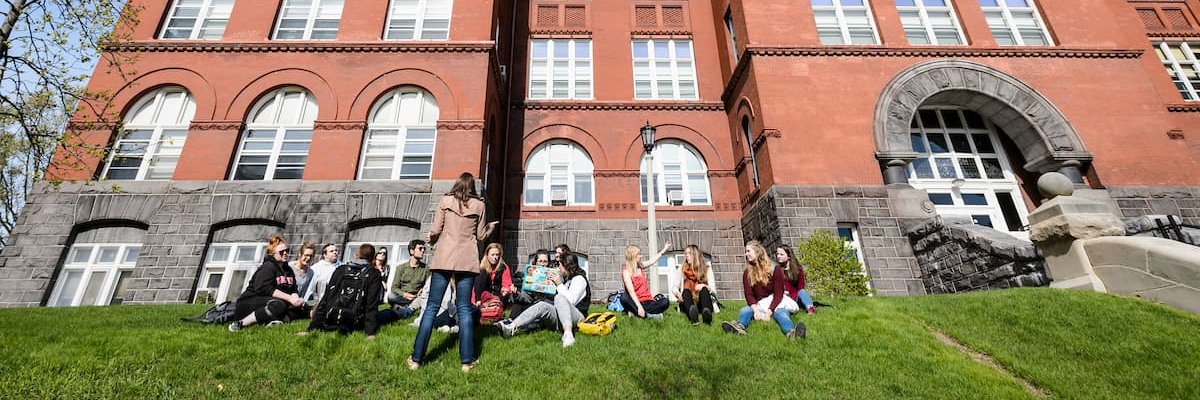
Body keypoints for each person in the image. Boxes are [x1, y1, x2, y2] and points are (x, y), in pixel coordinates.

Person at [409, 172, 497, 372]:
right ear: (472, 186)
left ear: (457, 184)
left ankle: (416, 359)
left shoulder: (445, 200)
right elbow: (481, 235)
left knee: (431, 307)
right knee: (464, 308)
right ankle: (467, 362)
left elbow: (435, 230)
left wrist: (430, 238)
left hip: (444, 257)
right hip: (467, 259)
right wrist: (490, 227)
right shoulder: (479, 205)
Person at [497, 252, 590, 348]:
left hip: (577, 317)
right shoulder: (566, 278)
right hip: (560, 314)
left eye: (560, 265)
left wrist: (558, 284)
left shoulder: (579, 279)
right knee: (542, 305)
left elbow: (571, 301)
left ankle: (568, 334)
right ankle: (511, 327)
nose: (559, 268)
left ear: (567, 265)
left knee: (559, 298)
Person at [721, 241, 806, 340]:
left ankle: (792, 333)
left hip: (776, 303)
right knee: (745, 311)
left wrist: (769, 313)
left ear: (757, 252)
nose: (746, 254)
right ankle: (739, 327)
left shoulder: (774, 269)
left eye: (748, 251)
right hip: (758, 305)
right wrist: (756, 311)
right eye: (745, 251)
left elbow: (779, 294)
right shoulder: (747, 273)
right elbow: (749, 295)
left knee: (781, 314)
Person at [229, 234, 308, 332]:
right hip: (249, 303)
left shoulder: (288, 270)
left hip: (273, 302)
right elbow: (264, 288)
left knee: (301, 309)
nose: (285, 253)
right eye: (281, 252)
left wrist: (296, 299)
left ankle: (275, 320)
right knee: (278, 305)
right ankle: (240, 323)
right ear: (273, 254)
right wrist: (289, 298)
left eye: (287, 251)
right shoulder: (267, 267)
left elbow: (293, 289)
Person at [302, 244, 384, 338]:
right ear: (372, 258)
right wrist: (370, 333)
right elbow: (371, 304)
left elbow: (326, 298)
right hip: (356, 322)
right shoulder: (374, 274)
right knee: (387, 314)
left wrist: (312, 328)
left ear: (356, 255)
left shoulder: (341, 269)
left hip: (332, 318)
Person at [619, 243, 672, 319]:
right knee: (623, 297)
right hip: (636, 302)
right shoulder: (626, 272)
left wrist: (664, 250)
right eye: (639, 254)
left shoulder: (640, 265)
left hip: (649, 302)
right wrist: (639, 307)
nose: (641, 256)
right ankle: (648, 315)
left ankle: (637, 313)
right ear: (633, 256)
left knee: (665, 302)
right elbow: (631, 291)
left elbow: (652, 261)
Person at [383, 240, 430, 320]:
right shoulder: (401, 268)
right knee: (391, 296)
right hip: (403, 297)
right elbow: (394, 288)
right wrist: (405, 294)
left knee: (425, 297)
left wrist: (422, 290)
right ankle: (408, 307)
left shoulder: (426, 268)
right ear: (412, 251)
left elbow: (428, 285)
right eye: (420, 248)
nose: (423, 251)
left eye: (424, 249)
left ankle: (407, 308)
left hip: (417, 297)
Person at [675, 244, 715, 325]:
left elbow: (713, 290)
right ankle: (693, 316)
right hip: (688, 301)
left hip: (702, 301)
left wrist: (704, 286)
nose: (686, 256)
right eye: (685, 253)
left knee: (704, 290)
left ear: (695, 255)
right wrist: (677, 293)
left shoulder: (707, 268)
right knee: (686, 291)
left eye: (689, 253)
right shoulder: (682, 268)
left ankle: (706, 315)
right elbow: (675, 287)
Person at [509, 249, 552, 321]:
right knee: (518, 304)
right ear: (536, 262)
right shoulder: (530, 274)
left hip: (545, 307)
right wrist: (516, 294)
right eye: (540, 261)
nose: (542, 264)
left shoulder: (553, 275)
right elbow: (526, 297)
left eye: (545, 261)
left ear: (548, 263)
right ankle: (510, 322)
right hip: (531, 305)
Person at [474, 243, 515, 314]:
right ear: (487, 255)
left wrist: (505, 290)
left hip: (498, 295)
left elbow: (507, 283)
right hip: (483, 295)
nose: (495, 257)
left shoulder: (503, 267)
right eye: (492, 255)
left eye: (497, 255)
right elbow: (477, 286)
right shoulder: (481, 268)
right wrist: (478, 299)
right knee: (481, 273)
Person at [776, 244, 816, 315]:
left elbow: (801, 287)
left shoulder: (798, 269)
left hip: (796, 297)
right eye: (777, 254)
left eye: (781, 254)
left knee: (802, 291)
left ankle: (810, 308)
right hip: (784, 298)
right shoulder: (777, 270)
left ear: (788, 256)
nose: (778, 256)